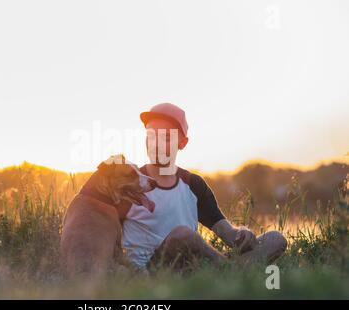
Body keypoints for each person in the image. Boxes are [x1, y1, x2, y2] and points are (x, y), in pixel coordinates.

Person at [120, 102, 287, 271]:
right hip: (151, 271)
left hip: (193, 266)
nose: (156, 143)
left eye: (166, 138)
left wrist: (241, 233)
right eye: (151, 136)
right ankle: (230, 271)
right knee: (183, 235)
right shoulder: (126, 183)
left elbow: (227, 232)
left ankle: (224, 269)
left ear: (182, 143)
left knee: (275, 239)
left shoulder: (193, 184)